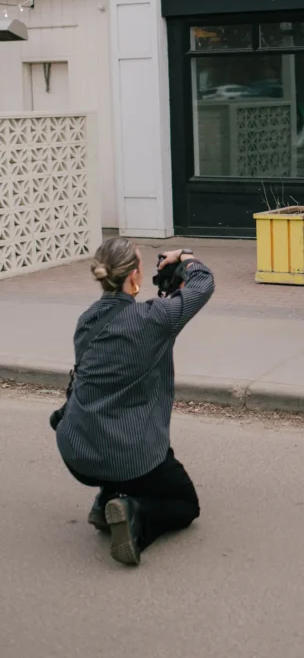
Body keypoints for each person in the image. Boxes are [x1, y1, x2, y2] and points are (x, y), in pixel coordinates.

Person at [54, 238, 215, 567]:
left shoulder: (87, 320)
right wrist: (185, 257)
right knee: (185, 505)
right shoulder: (154, 319)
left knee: (114, 428)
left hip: (77, 449)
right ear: (135, 276)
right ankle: (133, 514)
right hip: (129, 454)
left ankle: (107, 497)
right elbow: (204, 282)